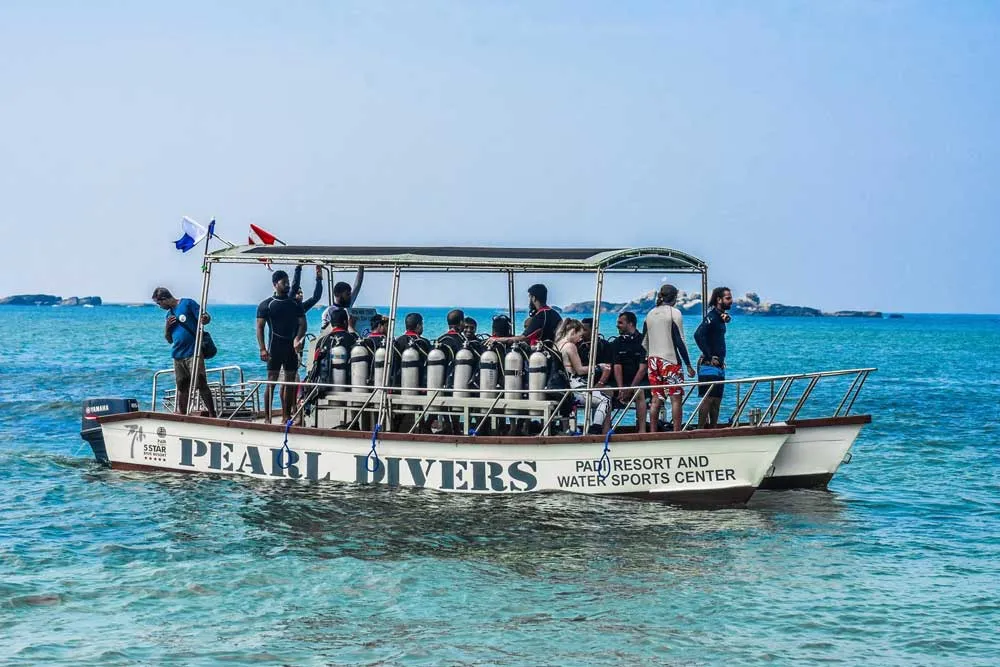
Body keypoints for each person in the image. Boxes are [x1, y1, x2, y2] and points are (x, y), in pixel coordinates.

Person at [152, 287, 217, 417]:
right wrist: (167, 328)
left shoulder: (187, 303)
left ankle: (212, 414)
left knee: (201, 382)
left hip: (193, 352)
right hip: (177, 355)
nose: (160, 306)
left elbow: (205, 317)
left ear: (164, 299)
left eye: (159, 303)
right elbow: (169, 340)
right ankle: (183, 415)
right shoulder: (169, 315)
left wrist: (205, 318)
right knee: (182, 387)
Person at [643, 284, 696, 432]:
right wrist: (688, 365)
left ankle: (653, 433)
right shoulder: (674, 313)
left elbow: (644, 340)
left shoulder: (650, 314)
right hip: (670, 360)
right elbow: (679, 340)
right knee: (675, 397)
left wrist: (649, 358)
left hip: (652, 361)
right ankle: (676, 432)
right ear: (674, 297)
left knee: (656, 398)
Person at [256, 270, 307, 423]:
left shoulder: (294, 303)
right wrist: (262, 348)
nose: (287, 285)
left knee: (290, 382)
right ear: (275, 284)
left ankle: (286, 416)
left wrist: (297, 339)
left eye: (287, 282)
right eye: (283, 282)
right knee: (271, 381)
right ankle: (267, 417)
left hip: (290, 347)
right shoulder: (266, 304)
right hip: (275, 347)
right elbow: (260, 327)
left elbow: (303, 324)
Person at [555, 318, 612, 435]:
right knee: (605, 400)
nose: (580, 339)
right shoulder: (570, 346)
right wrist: (598, 367)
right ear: (573, 332)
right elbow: (580, 370)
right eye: (579, 335)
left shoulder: (557, 344)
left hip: (562, 385)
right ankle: (595, 427)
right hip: (575, 387)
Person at [694, 286, 733, 428]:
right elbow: (698, 335)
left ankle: (714, 428)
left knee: (716, 400)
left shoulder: (720, 317)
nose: (731, 301)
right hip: (708, 364)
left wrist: (726, 318)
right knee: (707, 399)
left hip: (719, 365)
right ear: (719, 299)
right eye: (728, 298)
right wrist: (709, 356)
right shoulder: (711, 317)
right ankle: (700, 429)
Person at [612, 311, 648, 433]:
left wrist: (631, 389)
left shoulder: (643, 341)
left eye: (620, 323)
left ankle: (642, 430)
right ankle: (604, 429)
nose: (617, 325)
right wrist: (621, 388)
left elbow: (642, 369)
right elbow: (617, 366)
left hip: (640, 381)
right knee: (605, 393)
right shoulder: (617, 343)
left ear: (631, 324)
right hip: (622, 382)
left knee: (639, 392)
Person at [494, 284, 562, 346]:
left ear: (534, 298)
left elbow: (523, 337)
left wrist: (496, 339)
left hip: (539, 355)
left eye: (530, 297)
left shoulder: (541, 316)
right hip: (553, 352)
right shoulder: (555, 314)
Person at [319, 268, 364, 332]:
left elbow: (357, 284)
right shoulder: (328, 312)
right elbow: (324, 332)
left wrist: (361, 266)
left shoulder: (348, 304)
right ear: (338, 294)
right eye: (347, 294)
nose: (349, 297)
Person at [579, 317, 613, 387]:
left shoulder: (605, 345)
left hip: (599, 380)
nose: (581, 333)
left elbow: (608, 366)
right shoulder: (578, 345)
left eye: (585, 330)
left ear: (594, 330)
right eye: (580, 330)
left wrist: (601, 383)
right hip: (581, 381)